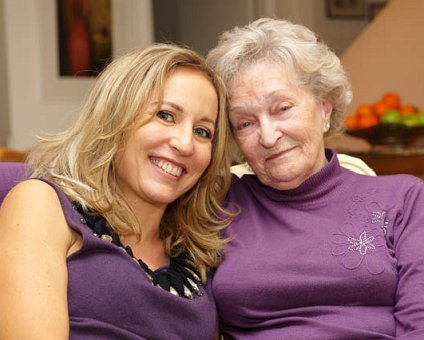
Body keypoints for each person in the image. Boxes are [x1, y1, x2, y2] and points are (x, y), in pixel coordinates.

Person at [207, 18, 424, 339]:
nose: (268, 136)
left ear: (324, 108)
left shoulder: (404, 199)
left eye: (282, 108)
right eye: (245, 124)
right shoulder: (216, 205)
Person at [0, 44, 234, 339]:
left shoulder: (200, 254)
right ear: (115, 118)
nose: (185, 144)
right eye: (165, 115)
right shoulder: (42, 206)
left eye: (203, 132)